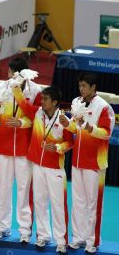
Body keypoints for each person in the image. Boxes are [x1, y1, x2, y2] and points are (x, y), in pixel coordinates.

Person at [13, 85, 73, 253]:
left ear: (54, 102)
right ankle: (43, 235)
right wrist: (17, 88)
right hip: (37, 165)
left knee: (58, 205)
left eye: (45, 99)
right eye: (42, 98)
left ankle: (61, 240)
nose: (42, 102)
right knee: (39, 202)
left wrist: (59, 148)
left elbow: (70, 142)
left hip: (55, 168)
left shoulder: (63, 120)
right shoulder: (38, 113)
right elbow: (24, 106)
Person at [59, 73, 115, 253]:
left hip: (95, 163)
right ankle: (78, 238)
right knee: (78, 202)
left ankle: (92, 241)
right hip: (78, 161)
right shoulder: (77, 102)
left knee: (93, 203)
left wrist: (89, 127)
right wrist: (67, 123)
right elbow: (76, 128)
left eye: (84, 86)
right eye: (79, 86)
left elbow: (107, 133)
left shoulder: (104, 108)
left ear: (93, 87)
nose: (81, 89)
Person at [0, 58, 41, 242]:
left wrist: (21, 122)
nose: (9, 75)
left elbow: (37, 116)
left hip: (24, 148)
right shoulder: (1, 87)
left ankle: (25, 230)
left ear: (21, 73)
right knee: (3, 188)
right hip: (4, 145)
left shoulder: (35, 90)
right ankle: (2, 227)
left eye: (12, 72)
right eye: (9, 71)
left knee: (24, 189)